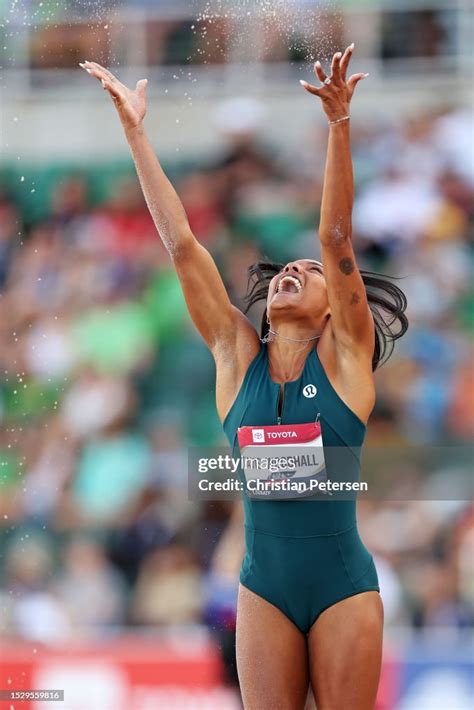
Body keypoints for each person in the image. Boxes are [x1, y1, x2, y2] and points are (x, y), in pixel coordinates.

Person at [81, 44, 408, 709]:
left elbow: (336, 238)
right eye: (287, 268)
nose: (294, 271)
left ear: (331, 308)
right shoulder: (235, 359)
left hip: (344, 584)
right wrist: (136, 132)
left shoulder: (345, 360)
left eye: (307, 274)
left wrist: (339, 125)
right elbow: (180, 245)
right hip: (263, 588)